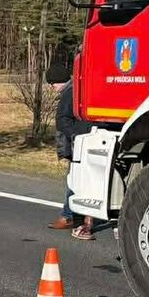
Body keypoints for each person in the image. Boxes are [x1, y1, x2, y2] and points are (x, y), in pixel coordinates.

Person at [50, 77, 96, 240]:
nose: (52, 87)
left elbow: (62, 120)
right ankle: (76, 216)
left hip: (81, 141)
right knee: (82, 179)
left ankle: (74, 218)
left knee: (76, 180)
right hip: (88, 138)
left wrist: (76, 136)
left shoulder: (71, 91)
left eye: (52, 82)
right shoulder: (81, 87)